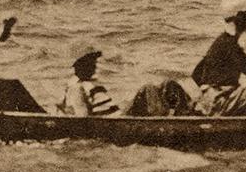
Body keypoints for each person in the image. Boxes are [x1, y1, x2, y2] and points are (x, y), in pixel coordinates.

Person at [58, 44, 192, 117]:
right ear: (78, 66)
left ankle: (186, 113)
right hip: (116, 120)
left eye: (94, 62)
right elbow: (82, 117)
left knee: (168, 84)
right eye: (89, 63)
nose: (94, 66)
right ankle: (173, 118)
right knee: (148, 89)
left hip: (119, 115)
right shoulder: (76, 87)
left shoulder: (89, 83)